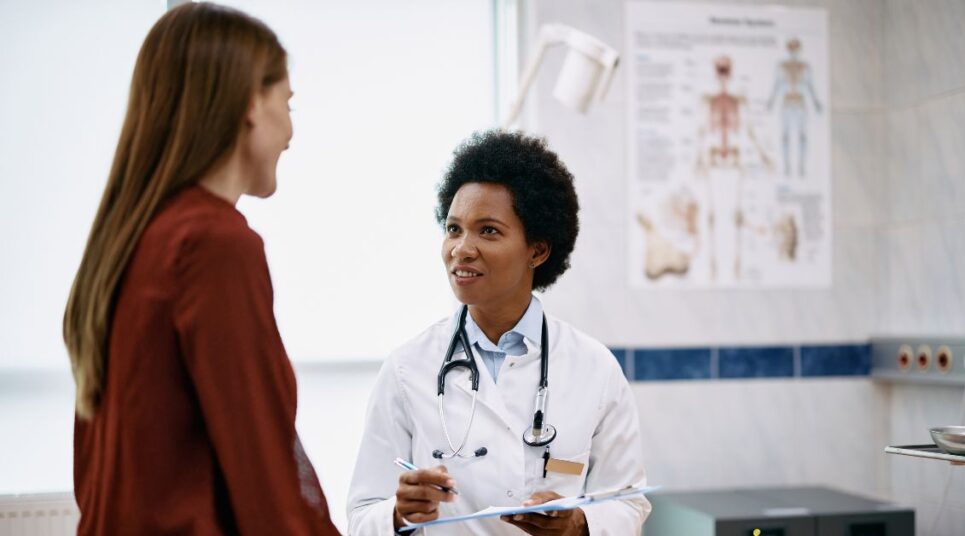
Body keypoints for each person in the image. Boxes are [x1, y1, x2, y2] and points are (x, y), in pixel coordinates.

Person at [63, 4, 340, 534]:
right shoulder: (214, 244)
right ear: (251, 104)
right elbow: (264, 472)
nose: (291, 132)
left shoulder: (131, 240)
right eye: (289, 102)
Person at [346, 131, 650, 535]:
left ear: (537, 251)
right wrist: (399, 513)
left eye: (487, 230)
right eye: (454, 229)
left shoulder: (594, 368)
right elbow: (361, 516)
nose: (461, 249)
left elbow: (628, 502)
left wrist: (579, 524)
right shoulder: (407, 368)